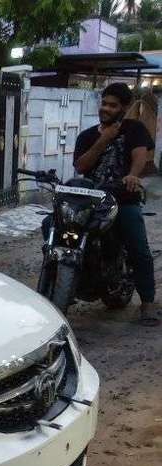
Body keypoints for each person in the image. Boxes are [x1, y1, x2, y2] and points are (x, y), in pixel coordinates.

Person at [73, 82, 158, 326]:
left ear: (124, 107)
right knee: (55, 225)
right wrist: (104, 139)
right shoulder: (88, 135)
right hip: (91, 200)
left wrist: (133, 176)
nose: (106, 108)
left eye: (112, 105)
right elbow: (81, 166)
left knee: (138, 247)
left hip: (123, 197)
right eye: (104, 103)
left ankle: (147, 303)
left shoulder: (134, 129)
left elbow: (139, 157)